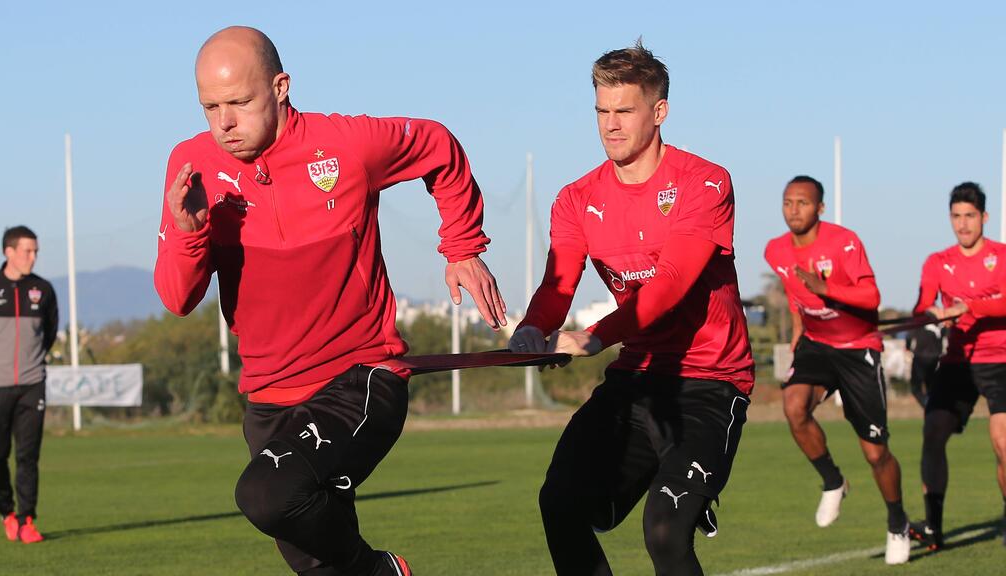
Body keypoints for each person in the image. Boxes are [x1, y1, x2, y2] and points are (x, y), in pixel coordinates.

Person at [154, 26, 506, 576]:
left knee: (267, 497)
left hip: (357, 379)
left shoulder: (348, 145)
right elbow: (177, 299)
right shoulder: (192, 165)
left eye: (240, 103)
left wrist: (462, 247)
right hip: (268, 400)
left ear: (281, 87)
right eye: (210, 107)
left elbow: (438, 144)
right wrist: (186, 233)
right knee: (317, 565)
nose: (224, 123)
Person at [509, 42, 755, 576]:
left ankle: (688, 488)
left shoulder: (705, 182)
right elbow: (557, 287)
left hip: (708, 382)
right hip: (635, 380)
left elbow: (669, 286)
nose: (610, 125)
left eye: (625, 110)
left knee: (665, 530)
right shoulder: (575, 199)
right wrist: (534, 329)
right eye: (602, 111)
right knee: (561, 505)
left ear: (659, 112)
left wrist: (594, 335)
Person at [763, 175, 910, 564]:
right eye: (788, 202)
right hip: (817, 346)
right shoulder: (775, 250)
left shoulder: (845, 242)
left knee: (876, 453)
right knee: (793, 407)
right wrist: (797, 329)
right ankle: (832, 481)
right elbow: (795, 297)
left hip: (858, 349)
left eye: (803, 203)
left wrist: (825, 289)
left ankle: (898, 522)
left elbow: (871, 297)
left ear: (820, 209)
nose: (794, 209)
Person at [910, 182, 1006, 550]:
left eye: (969, 216)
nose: (962, 224)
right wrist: (930, 317)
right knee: (933, 431)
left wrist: (967, 307)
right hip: (958, 362)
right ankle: (933, 528)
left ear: (984, 217)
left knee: (1001, 442)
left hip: (1000, 361)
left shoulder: (1000, 255)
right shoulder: (937, 261)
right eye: (956, 216)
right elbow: (923, 307)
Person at [0, 226, 58, 544]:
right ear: (8, 252)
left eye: (36, 251)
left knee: (28, 455)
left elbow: (50, 332)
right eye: (27, 250)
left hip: (32, 384)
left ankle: (27, 520)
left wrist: (33, 365)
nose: (33, 256)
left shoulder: (43, 289)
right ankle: (6, 510)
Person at [905, 324, 942, 408]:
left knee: (916, 388)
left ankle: (928, 406)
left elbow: (909, 336)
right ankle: (932, 406)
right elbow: (940, 343)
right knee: (930, 387)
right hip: (934, 358)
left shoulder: (919, 325)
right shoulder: (937, 326)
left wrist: (907, 348)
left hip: (920, 358)